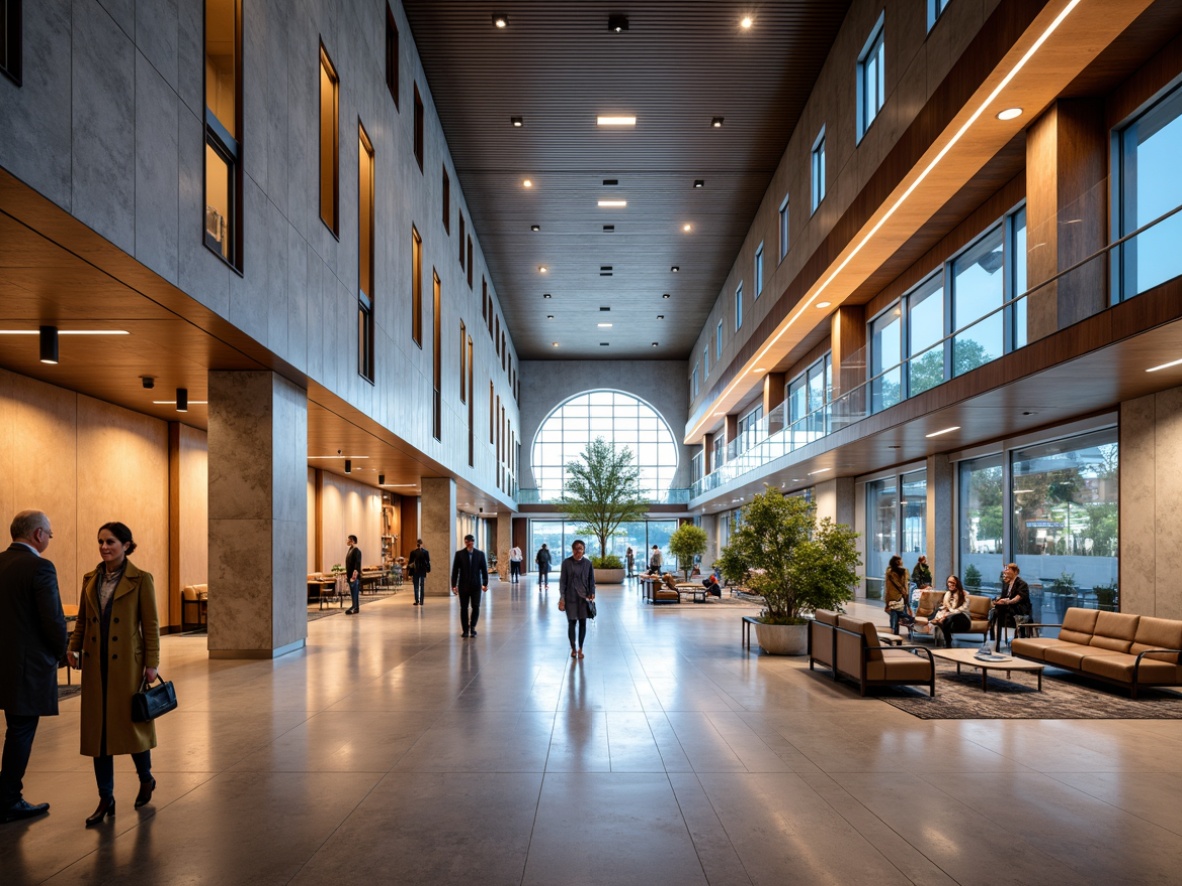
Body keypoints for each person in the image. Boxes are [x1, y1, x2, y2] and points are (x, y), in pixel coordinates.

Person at [68, 522, 160, 826]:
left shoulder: (141, 579)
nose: (104, 547)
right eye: (100, 542)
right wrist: (74, 647)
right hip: (96, 667)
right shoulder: (91, 579)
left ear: (126, 545)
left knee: (132, 727)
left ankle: (145, 778)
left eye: (111, 542)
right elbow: (82, 620)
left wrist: (152, 664)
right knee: (99, 734)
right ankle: (105, 798)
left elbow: (150, 626)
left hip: (128, 667)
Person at [0, 510, 68, 824]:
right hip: (26, 667)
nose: (49, 539)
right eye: (50, 534)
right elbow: (52, 618)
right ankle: (9, 800)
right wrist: (63, 652)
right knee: (20, 730)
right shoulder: (40, 567)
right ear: (38, 534)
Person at [560, 540, 596, 659]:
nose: (578, 551)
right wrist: (562, 598)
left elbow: (591, 580)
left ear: (584, 550)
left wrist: (592, 593)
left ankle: (580, 648)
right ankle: (573, 648)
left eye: (580, 548)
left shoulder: (588, 563)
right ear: (572, 550)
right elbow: (563, 581)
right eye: (575, 548)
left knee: (582, 623)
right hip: (570, 598)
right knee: (572, 622)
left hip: (583, 598)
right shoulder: (566, 563)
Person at [450, 534, 488, 638]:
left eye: (470, 542)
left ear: (473, 542)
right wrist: (453, 585)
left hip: (476, 586)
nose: (468, 543)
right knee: (464, 608)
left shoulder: (480, 554)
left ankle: (473, 627)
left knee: (476, 607)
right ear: (465, 542)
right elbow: (455, 571)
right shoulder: (459, 554)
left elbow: (484, 570)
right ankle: (465, 630)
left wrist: (485, 584)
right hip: (463, 586)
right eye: (467, 542)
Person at [919, 575, 971, 647]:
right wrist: (946, 613)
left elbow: (963, 608)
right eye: (948, 582)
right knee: (944, 617)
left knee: (950, 617)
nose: (950, 584)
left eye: (952, 582)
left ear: (957, 583)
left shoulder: (964, 594)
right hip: (950, 616)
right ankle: (948, 641)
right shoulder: (948, 594)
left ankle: (938, 622)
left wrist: (950, 612)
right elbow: (946, 606)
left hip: (962, 617)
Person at [989, 562, 1031, 646]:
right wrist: (997, 601)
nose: (1006, 571)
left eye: (1008, 569)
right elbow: (1003, 596)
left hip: (1019, 608)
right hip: (1008, 607)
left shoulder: (1022, 584)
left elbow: (1017, 598)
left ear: (1015, 572)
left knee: (998, 610)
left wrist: (1007, 601)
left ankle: (996, 641)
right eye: (1006, 569)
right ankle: (994, 638)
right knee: (994, 610)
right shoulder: (1007, 584)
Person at [884, 555, 913, 635]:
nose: (902, 562)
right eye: (900, 560)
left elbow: (888, 588)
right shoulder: (904, 572)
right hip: (900, 598)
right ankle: (911, 620)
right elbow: (904, 587)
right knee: (899, 616)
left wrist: (886, 602)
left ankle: (894, 635)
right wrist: (907, 600)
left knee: (894, 618)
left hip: (892, 598)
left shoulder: (889, 572)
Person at [407, 539, 431, 606]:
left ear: (416, 544)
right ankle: (422, 601)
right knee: (422, 586)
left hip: (415, 571)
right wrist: (428, 570)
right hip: (423, 571)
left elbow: (410, 563)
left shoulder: (413, 552)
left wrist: (410, 573)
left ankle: (417, 601)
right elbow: (428, 562)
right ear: (422, 544)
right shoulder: (426, 552)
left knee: (416, 586)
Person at [344, 535, 362, 614]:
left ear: (352, 541)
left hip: (354, 576)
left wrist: (354, 575)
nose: (347, 541)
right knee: (353, 591)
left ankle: (355, 607)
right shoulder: (350, 550)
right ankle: (354, 606)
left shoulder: (356, 550)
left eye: (348, 540)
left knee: (355, 591)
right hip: (349, 575)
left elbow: (357, 563)